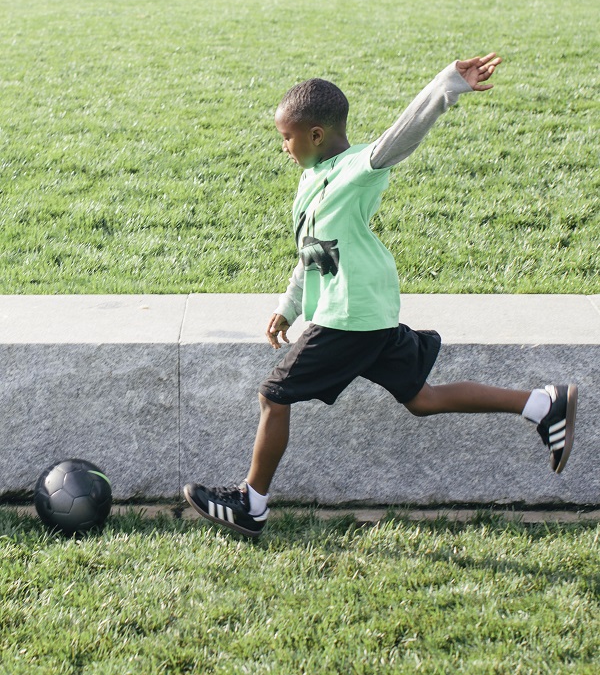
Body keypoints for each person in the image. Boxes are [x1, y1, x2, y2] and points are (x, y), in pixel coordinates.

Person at [184, 53, 577, 538]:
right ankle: (542, 404)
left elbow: (404, 132)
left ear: (315, 135)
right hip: (365, 312)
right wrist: (288, 306)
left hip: (350, 317)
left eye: (286, 137)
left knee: (273, 395)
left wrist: (448, 83)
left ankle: (251, 503)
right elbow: (315, 252)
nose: (283, 147)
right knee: (421, 398)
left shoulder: (358, 167)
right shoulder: (313, 179)